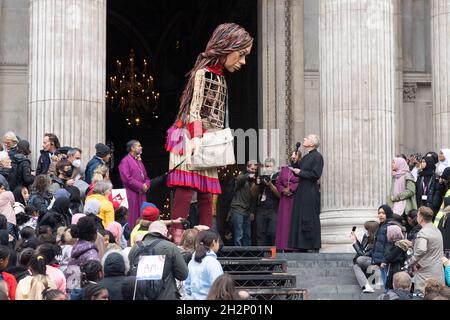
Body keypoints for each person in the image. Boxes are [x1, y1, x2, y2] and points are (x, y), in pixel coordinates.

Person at [166, 23, 253, 244]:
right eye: (241, 55)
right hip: (188, 135)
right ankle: (178, 238)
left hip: (207, 138)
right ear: (227, 47)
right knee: (185, 191)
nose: (243, 62)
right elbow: (194, 108)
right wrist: (195, 137)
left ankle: (206, 240)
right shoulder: (202, 74)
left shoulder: (221, 78)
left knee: (206, 193)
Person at [128, 221, 188, 300]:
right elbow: (183, 275)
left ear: (148, 232)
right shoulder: (170, 247)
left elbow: (128, 273)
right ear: (165, 231)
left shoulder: (135, 248)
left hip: (141, 296)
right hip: (166, 295)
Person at [289, 134, 324, 252]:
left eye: (307, 138)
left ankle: (312, 245)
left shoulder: (317, 157)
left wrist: (300, 172)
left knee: (309, 217)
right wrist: (294, 162)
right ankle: (301, 244)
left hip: (310, 191)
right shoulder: (305, 157)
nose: (304, 139)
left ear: (312, 143)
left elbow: (315, 175)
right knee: (300, 216)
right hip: (302, 190)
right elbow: (298, 170)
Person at [409, 206, 445, 293]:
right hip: (438, 271)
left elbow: (421, 250)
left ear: (421, 218)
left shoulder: (423, 232)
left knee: (425, 295)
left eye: (417, 216)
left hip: (425, 273)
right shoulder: (437, 230)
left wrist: (411, 262)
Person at [118, 140, 151, 229]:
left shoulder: (139, 161)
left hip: (142, 194)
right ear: (132, 148)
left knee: (142, 216)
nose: (141, 147)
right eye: (139, 146)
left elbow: (146, 178)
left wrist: (146, 185)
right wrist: (141, 186)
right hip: (131, 195)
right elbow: (126, 178)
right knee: (132, 218)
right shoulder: (125, 161)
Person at [185, 229, 223, 300]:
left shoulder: (192, 262)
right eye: (218, 241)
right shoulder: (212, 262)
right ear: (214, 242)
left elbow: (187, 287)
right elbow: (219, 287)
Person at [275, 149, 301, 251]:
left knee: (293, 222)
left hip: (295, 198)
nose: (293, 157)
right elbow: (278, 183)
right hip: (285, 200)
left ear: (299, 158)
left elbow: (302, 181)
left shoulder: (301, 169)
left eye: (296, 155)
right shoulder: (285, 169)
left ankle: (294, 246)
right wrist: (283, 190)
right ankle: (283, 246)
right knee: (284, 222)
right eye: (292, 155)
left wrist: (291, 189)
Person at [229, 160, 259, 246]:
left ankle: (247, 254)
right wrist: (247, 175)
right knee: (239, 235)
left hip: (247, 210)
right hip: (237, 209)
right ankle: (238, 255)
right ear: (247, 168)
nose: (253, 170)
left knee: (247, 235)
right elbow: (238, 180)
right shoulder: (242, 177)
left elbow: (254, 197)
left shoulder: (255, 180)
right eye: (251, 168)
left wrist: (252, 211)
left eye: (254, 169)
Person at [255, 158, 280, 246]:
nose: (267, 168)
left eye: (269, 166)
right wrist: (257, 184)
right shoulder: (261, 177)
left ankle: (274, 255)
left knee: (273, 232)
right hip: (261, 208)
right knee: (260, 233)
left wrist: (270, 184)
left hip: (273, 208)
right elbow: (252, 194)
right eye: (266, 166)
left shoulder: (278, 177)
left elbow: (279, 195)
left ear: (274, 167)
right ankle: (262, 256)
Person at [351, 221, 379, 293]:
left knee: (360, 259)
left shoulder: (377, 240)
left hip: (375, 262)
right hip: (366, 260)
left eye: (366, 229)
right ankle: (366, 286)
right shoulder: (366, 237)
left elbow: (364, 255)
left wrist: (354, 244)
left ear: (371, 230)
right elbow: (362, 250)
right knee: (355, 265)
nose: (365, 231)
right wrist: (356, 240)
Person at [388, 157, 417, 223]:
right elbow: (392, 192)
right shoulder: (395, 176)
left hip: (406, 207)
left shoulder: (408, 175)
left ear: (399, 164)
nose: (392, 164)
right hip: (395, 205)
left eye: (393, 162)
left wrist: (397, 197)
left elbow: (411, 191)